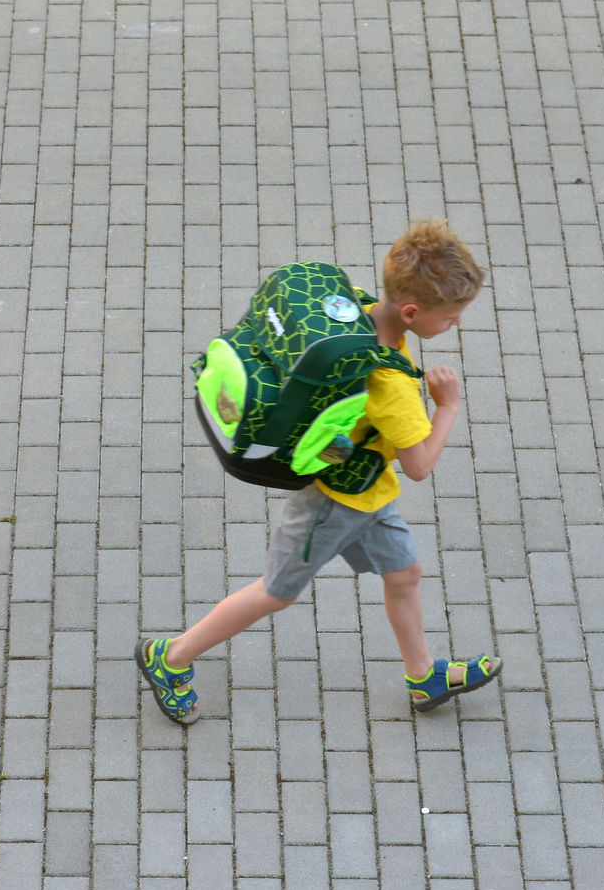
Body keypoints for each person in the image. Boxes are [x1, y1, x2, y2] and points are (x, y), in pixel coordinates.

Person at [138, 219, 502, 723]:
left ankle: (423, 678)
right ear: (412, 312)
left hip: (368, 492)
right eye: (452, 317)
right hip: (332, 504)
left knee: (405, 573)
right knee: (275, 593)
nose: (456, 324)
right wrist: (448, 407)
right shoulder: (392, 383)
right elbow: (419, 465)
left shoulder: (357, 308)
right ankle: (171, 656)